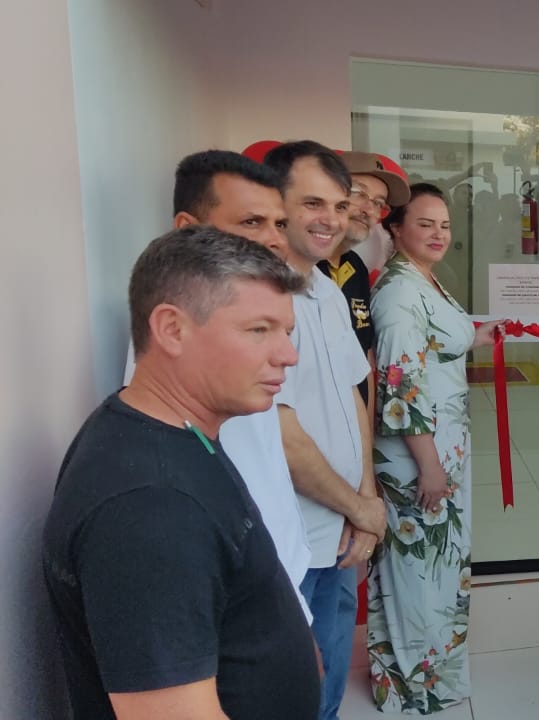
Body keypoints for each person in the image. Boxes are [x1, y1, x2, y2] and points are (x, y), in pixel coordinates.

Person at [43, 227, 318, 719]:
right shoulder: (151, 506)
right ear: (171, 328)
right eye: (259, 330)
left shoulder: (172, 432)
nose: (288, 355)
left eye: (287, 332)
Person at [121, 149, 314, 623]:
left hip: (283, 574)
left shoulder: (236, 343)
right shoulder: (183, 361)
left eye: (278, 224)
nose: (273, 240)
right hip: (247, 605)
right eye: (251, 222)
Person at [365, 183, 503, 713]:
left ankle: (431, 674)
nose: (439, 233)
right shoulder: (399, 291)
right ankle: (413, 686)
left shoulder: (423, 279)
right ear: (396, 228)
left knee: (436, 567)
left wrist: (478, 335)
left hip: (439, 450)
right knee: (417, 571)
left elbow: (435, 347)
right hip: (416, 457)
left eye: (444, 224)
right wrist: (428, 469)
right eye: (425, 224)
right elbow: (401, 391)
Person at [263, 140, 385, 720]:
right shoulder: (258, 298)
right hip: (288, 541)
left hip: (341, 528)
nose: (331, 219)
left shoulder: (328, 290)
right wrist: (357, 508)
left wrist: (365, 495)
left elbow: (353, 396)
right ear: (273, 203)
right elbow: (278, 431)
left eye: (339, 205)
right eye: (314, 202)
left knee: (330, 679)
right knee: (288, 687)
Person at [321, 152, 411, 434]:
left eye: (378, 204)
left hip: (351, 434)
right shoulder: (297, 271)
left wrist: (366, 445)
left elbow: (361, 361)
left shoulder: (354, 268)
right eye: (359, 193)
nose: (368, 210)